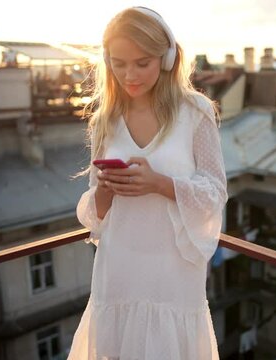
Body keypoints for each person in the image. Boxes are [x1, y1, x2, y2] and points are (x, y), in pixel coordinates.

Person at [68, 6, 227, 360]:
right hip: (119, 268)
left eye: (142, 62)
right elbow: (95, 215)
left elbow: (216, 193)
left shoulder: (195, 112)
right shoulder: (104, 121)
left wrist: (159, 183)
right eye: (119, 62)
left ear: (167, 58)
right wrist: (106, 190)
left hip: (173, 272)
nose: (130, 74)